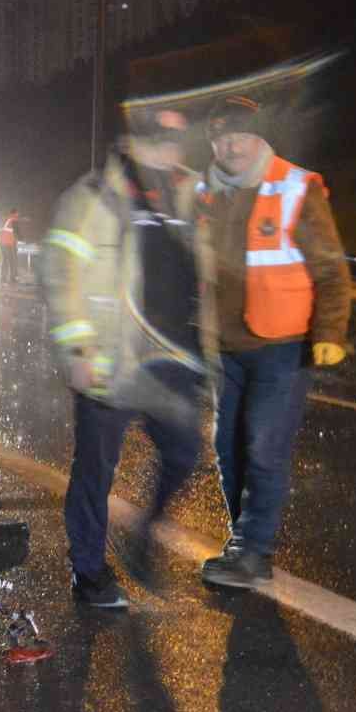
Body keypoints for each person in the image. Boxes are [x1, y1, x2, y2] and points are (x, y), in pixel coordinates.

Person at [42, 107, 209, 608]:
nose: (167, 150)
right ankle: (89, 572)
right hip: (110, 357)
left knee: (184, 452)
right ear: (133, 142)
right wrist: (77, 346)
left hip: (174, 359)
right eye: (157, 140)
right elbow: (59, 272)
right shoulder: (93, 196)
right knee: (95, 469)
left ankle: (144, 535)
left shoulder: (189, 195)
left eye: (175, 141)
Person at [197, 95, 351, 588]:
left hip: (282, 343)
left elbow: (329, 266)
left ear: (261, 137)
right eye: (222, 136)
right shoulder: (206, 193)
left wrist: (329, 332)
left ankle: (254, 550)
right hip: (225, 345)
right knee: (228, 447)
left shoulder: (294, 186)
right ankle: (243, 538)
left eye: (240, 134)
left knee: (264, 448)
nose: (231, 145)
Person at [0, 208, 21, 285]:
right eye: (17, 213)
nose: (18, 215)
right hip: (7, 243)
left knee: (10, 260)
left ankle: (11, 278)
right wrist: (20, 239)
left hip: (6, 243)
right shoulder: (13, 220)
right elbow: (16, 232)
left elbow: (12, 232)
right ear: (15, 213)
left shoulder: (9, 220)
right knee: (7, 260)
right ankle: (4, 279)